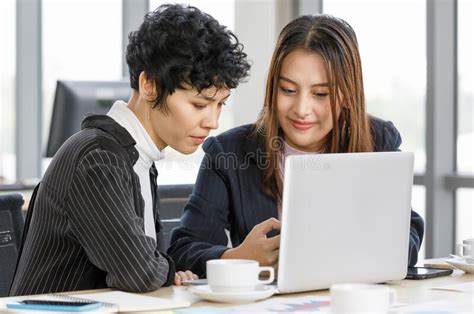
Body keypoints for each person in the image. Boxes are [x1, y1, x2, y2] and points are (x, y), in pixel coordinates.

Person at [9, 4, 250, 296]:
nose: (212, 122)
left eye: (220, 104)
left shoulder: (136, 158)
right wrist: (168, 270)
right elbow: (139, 272)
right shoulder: (99, 158)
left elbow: (146, 268)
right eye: (199, 105)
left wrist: (165, 271)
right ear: (149, 85)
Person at [167, 14, 424, 277]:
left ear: (347, 94)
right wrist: (238, 257)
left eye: (321, 94)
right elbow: (183, 250)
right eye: (288, 90)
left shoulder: (377, 140)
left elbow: (408, 233)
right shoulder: (230, 151)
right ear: (272, 89)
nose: (302, 110)